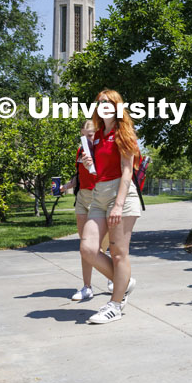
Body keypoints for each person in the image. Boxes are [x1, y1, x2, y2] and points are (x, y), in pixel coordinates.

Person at [79, 90, 144, 324]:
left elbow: (128, 170)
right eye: (99, 102)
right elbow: (101, 168)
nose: (102, 105)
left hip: (121, 196)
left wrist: (118, 205)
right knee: (87, 248)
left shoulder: (123, 132)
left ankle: (115, 305)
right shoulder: (96, 135)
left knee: (118, 254)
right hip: (99, 193)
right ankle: (124, 283)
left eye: (107, 102)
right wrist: (90, 164)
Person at [62, 120, 110, 302]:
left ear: (97, 133)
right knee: (84, 246)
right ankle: (87, 287)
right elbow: (79, 174)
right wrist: (67, 185)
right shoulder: (81, 150)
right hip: (82, 197)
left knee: (102, 246)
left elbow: (105, 174)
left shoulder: (103, 150)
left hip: (99, 197)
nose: (86, 139)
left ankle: (111, 278)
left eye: (89, 135)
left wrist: (92, 165)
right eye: (83, 135)